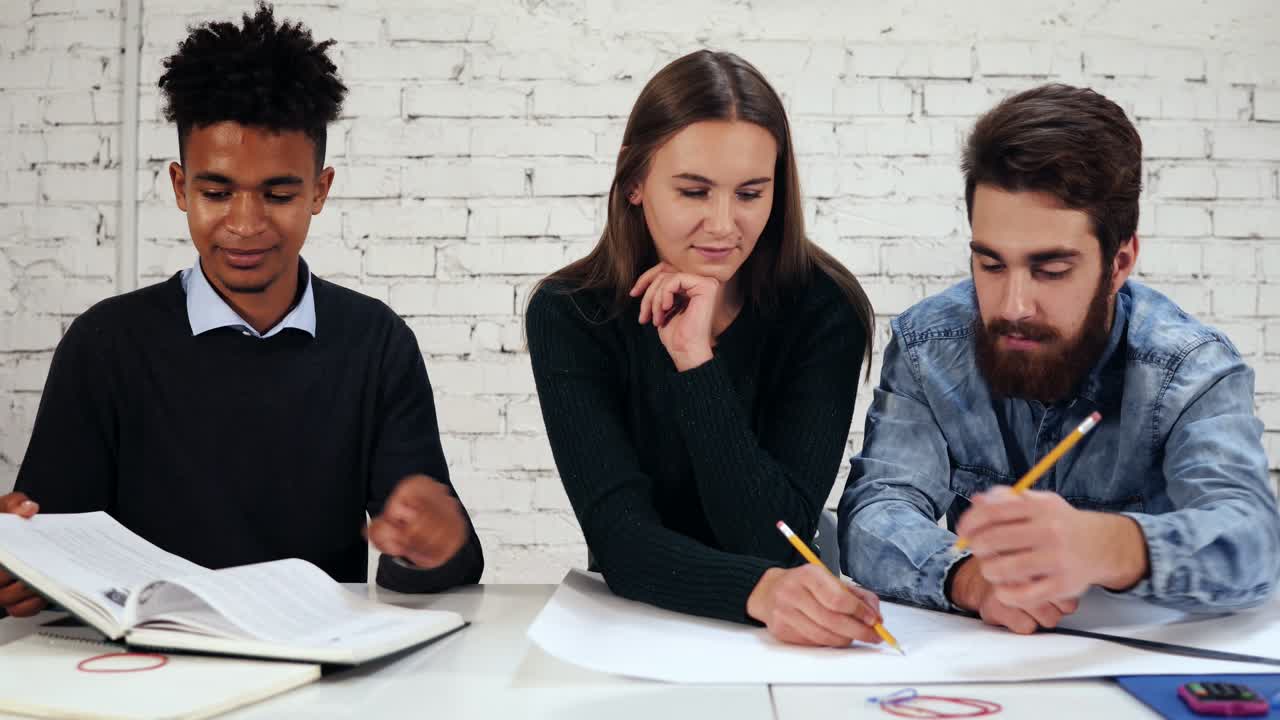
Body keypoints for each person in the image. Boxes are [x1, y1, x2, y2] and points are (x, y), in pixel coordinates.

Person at [0, 2, 482, 618]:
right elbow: (48, 562)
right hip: (148, 673)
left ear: (319, 190)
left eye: (278, 193)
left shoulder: (374, 343)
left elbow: (437, 559)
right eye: (216, 191)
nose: (246, 224)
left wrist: (434, 544)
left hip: (314, 664)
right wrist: (22, 565)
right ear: (180, 187)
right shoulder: (106, 345)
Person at [839, 83, 1280, 634]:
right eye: (991, 265)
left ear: (1119, 263)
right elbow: (874, 513)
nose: (1013, 306)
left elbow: (1255, 541)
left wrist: (1110, 545)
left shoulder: (1188, 370)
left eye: (1050, 270)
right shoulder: (931, 346)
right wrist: (970, 580)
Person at [526, 50, 881, 648]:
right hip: (639, 630)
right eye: (694, 192)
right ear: (634, 182)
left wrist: (697, 362)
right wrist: (759, 590)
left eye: (750, 193)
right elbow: (620, 538)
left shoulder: (824, 309)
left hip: (791, 635)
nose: (723, 225)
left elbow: (775, 540)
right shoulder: (571, 313)